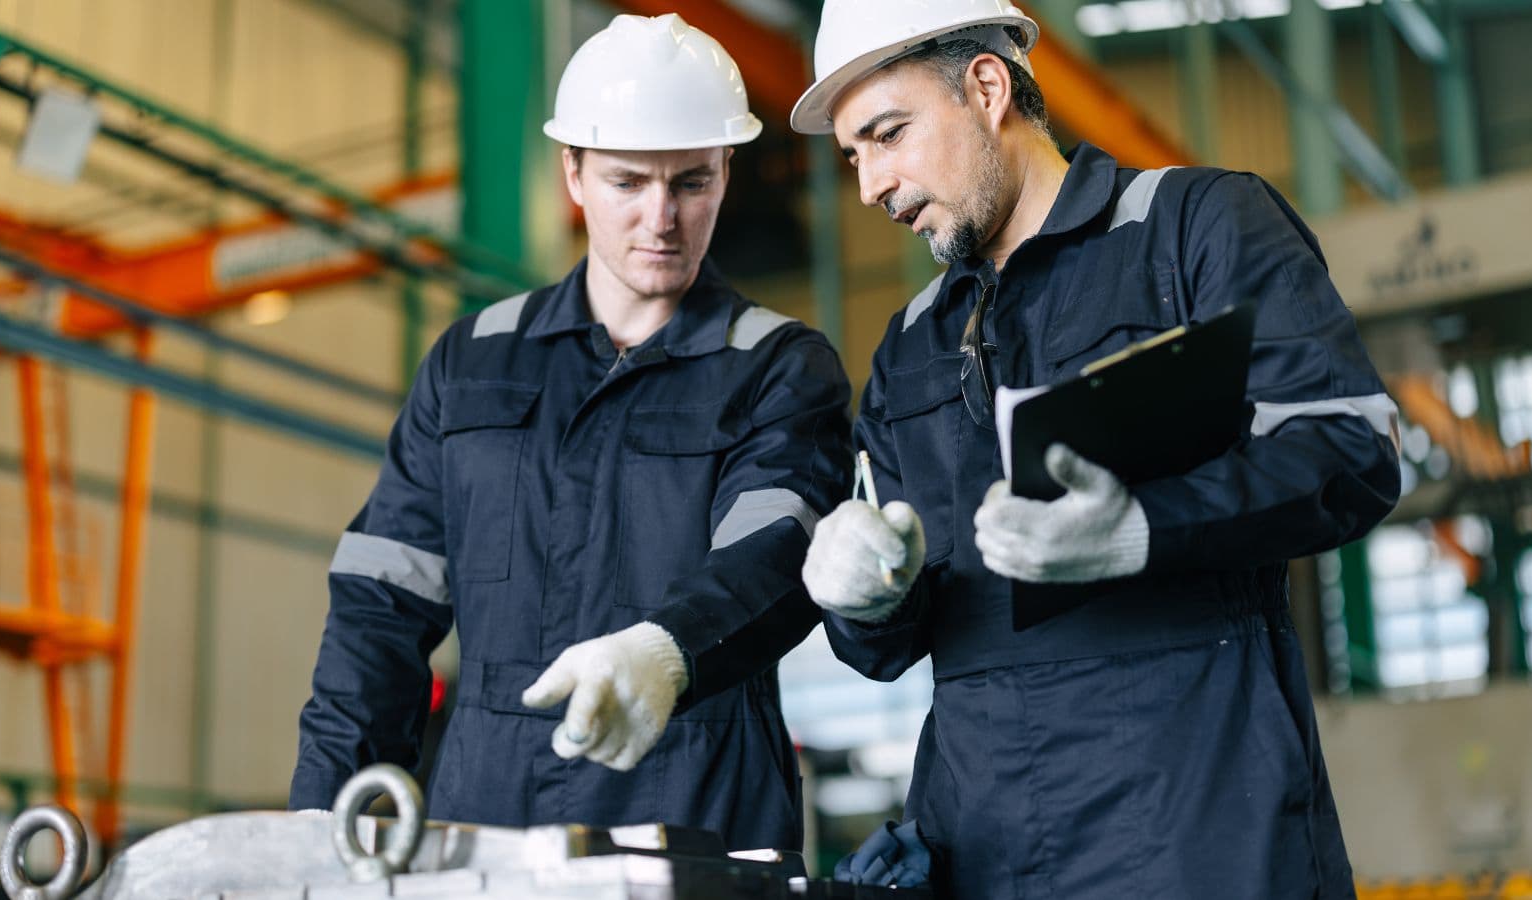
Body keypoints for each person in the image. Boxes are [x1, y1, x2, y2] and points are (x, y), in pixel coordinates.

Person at [792, 1, 1400, 896]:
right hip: (987, 844)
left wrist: (1144, 528)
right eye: (854, 156)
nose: (871, 184)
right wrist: (864, 600)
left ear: (987, 87)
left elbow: (1349, 448)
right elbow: (888, 648)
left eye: (888, 135)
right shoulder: (911, 344)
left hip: (1198, 830)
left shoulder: (1194, 229)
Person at [289, 12, 851, 854]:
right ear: (574, 174)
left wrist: (665, 651)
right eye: (629, 182)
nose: (662, 218)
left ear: (726, 173)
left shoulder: (777, 366)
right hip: (489, 821)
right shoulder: (473, 362)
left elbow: (771, 555)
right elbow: (381, 602)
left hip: (696, 816)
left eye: (691, 183)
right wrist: (322, 818)